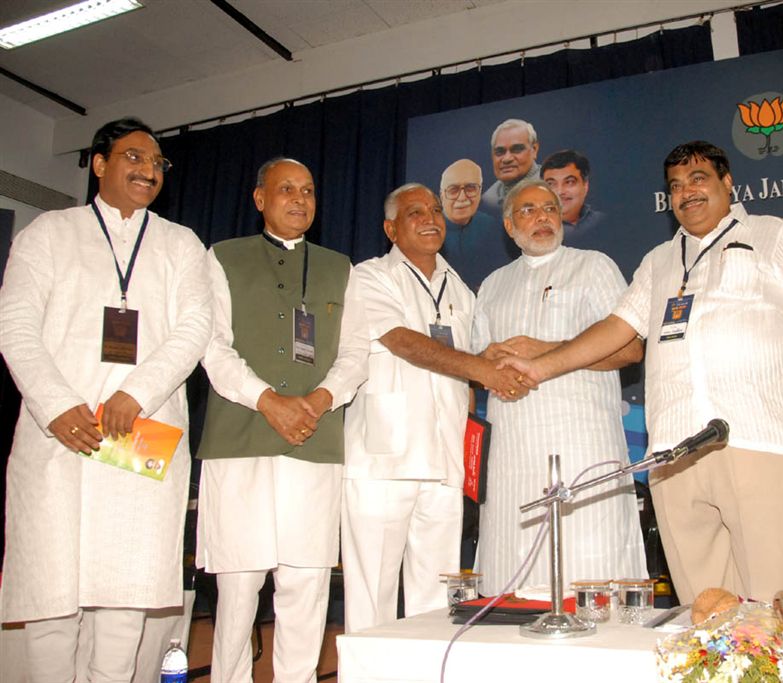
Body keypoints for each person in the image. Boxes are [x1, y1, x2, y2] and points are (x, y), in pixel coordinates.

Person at [500, 141, 783, 605]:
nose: (686, 193)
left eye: (699, 180)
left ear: (727, 182)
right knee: (705, 611)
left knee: (779, 607)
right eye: (675, 186)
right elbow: (617, 329)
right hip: (675, 454)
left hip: (760, 440)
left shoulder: (773, 236)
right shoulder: (659, 261)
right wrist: (539, 366)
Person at [0, 117, 212, 681]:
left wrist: (135, 394)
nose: (149, 171)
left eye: (157, 163)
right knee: (52, 596)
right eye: (134, 158)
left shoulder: (179, 243)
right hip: (59, 437)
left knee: (125, 598)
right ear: (99, 164)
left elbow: (194, 328)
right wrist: (55, 405)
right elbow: (16, 325)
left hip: (140, 432)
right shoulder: (49, 232)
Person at [195, 157, 364, 682]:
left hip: (314, 442)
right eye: (286, 189)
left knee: (307, 584)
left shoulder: (341, 267)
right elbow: (211, 345)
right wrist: (268, 400)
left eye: (309, 190)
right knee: (239, 585)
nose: (299, 199)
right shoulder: (221, 257)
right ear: (259, 199)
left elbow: (356, 354)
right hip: (239, 438)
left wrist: (315, 402)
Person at [340, 183, 529, 632]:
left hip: (445, 461)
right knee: (372, 597)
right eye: (415, 212)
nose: (430, 218)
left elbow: (474, 362)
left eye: (436, 210)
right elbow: (404, 342)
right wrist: (484, 370)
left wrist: (502, 363)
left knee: (435, 597)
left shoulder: (461, 290)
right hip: (383, 460)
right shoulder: (368, 276)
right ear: (390, 228)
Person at [472, 178, 645, 595]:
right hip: (513, 448)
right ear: (510, 226)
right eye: (528, 211)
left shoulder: (593, 265)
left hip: (584, 443)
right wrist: (491, 363)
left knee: (590, 568)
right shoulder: (492, 284)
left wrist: (545, 352)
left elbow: (630, 350)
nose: (542, 217)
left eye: (550, 208)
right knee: (513, 570)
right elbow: (477, 363)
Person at [438, 158, 511, 291]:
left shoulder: (491, 226)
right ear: (442, 195)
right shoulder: (429, 230)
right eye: (453, 190)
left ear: (480, 190)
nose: (462, 197)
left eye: (470, 188)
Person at [541, 149, 605, 246]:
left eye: (569, 182)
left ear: (585, 186)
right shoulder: (536, 230)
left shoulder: (602, 221)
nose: (560, 192)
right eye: (551, 184)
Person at [480, 119, 541, 215]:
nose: (507, 159)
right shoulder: (488, 199)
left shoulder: (553, 187)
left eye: (516, 150)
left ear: (534, 150)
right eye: (500, 152)